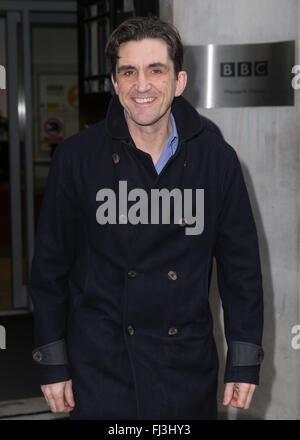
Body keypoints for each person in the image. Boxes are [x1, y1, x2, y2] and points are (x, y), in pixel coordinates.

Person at [29, 16, 264, 420]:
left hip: (184, 367)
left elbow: (240, 270)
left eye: (156, 70)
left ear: (179, 81)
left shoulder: (217, 160)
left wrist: (243, 360)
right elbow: (49, 271)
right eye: (128, 72)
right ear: (115, 83)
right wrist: (53, 362)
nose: (142, 85)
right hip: (100, 368)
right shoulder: (77, 159)